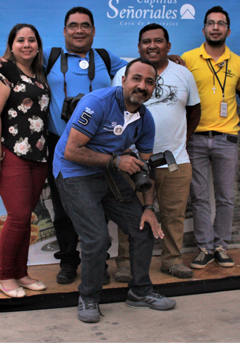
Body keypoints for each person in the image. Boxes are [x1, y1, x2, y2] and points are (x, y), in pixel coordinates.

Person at [0, 7, 127, 285]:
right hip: (57, 143)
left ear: (94, 31)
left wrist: (168, 61)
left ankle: (97, 263)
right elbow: (20, 68)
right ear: (64, 31)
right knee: (63, 208)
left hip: (97, 146)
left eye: (85, 25)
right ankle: (67, 262)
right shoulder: (50, 59)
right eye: (73, 25)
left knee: (98, 207)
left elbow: (137, 69)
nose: (79, 30)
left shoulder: (105, 58)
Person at [54, 58, 176, 323]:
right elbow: (71, 151)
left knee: (142, 228)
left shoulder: (146, 120)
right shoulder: (96, 103)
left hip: (107, 172)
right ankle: (88, 297)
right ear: (123, 80)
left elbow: (146, 168)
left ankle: (140, 292)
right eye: (136, 79)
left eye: (149, 82)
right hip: (74, 173)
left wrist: (148, 208)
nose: (142, 86)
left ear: (154, 88)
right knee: (97, 238)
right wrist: (117, 161)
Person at [111, 24, 201, 281]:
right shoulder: (123, 74)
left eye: (158, 41)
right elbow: (114, 112)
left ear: (168, 46)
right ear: (139, 47)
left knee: (174, 215)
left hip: (174, 161)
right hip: (133, 162)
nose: (152, 46)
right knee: (130, 215)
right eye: (146, 41)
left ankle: (172, 261)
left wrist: (182, 141)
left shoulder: (183, 74)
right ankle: (126, 263)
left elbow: (194, 110)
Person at [0, 24, 50, 298]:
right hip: (10, 153)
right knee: (18, 216)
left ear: (38, 45)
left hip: (38, 155)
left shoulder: (40, 74)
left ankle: (20, 273)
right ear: (11, 45)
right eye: (20, 40)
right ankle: (5, 276)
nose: (26, 44)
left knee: (27, 217)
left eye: (31, 40)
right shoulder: (3, 73)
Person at [181, 6, 240, 270]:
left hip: (226, 138)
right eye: (211, 23)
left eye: (221, 23)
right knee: (199, 196)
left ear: (228, 30)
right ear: (204, 29)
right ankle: (205, 248)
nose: (215, 27)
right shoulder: (187, 59)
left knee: (226, 196)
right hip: (195, 138)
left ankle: (221, 246)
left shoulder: (239, 63)